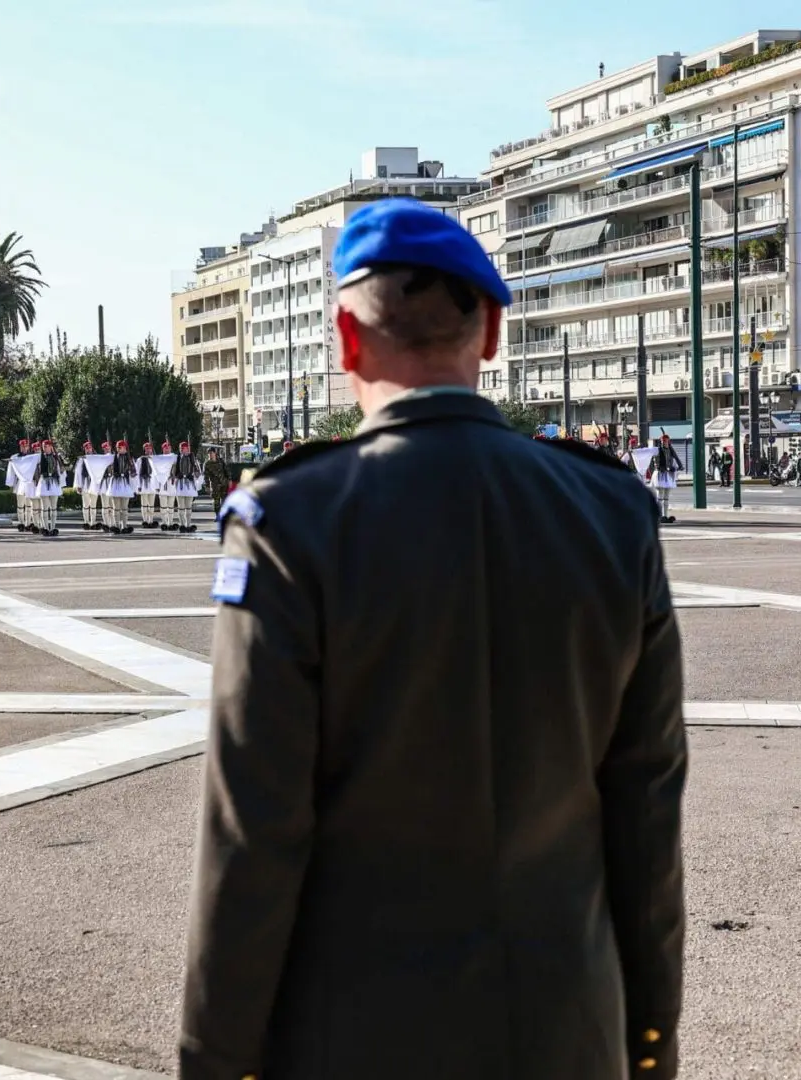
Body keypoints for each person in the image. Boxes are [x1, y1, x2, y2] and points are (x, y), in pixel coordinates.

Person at [183, 199, 686, 1080]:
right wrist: (648, 1039)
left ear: (345, 338)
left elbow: (252, 839)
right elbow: (646, 817)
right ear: (489, 331)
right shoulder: (610, 513)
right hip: (566, 1031)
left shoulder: (292, 523)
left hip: (355, 1041)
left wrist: (214, 1062)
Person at [646, 434, 683, 525]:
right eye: (662, 441)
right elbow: (656, 461)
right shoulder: (657, 450)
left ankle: (665, 515)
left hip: (668, 474)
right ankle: (659, 516)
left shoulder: (670, 449)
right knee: (660, 495)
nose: (663, 443)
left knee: (666, 497)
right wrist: (663, 468)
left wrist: (680, 466)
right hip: (660, 473)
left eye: (665, 441)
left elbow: (676, 458)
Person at [33, 438, 64, 537]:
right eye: (43, 447)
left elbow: (61, 471)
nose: (44, 448)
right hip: (44, 482)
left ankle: (53, 527)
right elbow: (30, 462)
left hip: (54, 482)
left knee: (54, 508)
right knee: (44, 508)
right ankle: (46, 528)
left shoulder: (56, 457)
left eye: (46, 446)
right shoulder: (39, 457)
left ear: (51, 447)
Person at [169, 439, 201, 533]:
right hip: (180, 484)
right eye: (182, 449)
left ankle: (188, 524)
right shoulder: (177, 458)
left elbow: (197, 471)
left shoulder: (192, 459)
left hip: (189, 485)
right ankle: (182, 525)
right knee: (181, 507)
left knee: (188, 507)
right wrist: (175, 476)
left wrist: (195, 473)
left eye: (185, 449)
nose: (184, 450)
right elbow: (173, 471)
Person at [106, 438, 136, 534]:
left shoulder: (129, 459)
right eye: (119, 448)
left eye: (122, 447)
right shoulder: (112, 458)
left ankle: (124, 525)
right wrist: (112, 473)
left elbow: (134, 473)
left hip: (125, 484)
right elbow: (108, 470)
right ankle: (117, 525)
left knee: (124, 507)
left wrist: (130, 471)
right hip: (115, 483)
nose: (120, 449)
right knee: (116, 507)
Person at [136, 440, 161, 528]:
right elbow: (137, 473)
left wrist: (158, 485)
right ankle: (145, 520)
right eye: (146, 449)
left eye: (149, 449)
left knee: (151, 504)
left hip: (153, 483)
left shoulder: (155, 459)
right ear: (144, 450)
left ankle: (151, 520)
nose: (148, 451)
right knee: (144, 504)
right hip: (143, 482)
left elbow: (158, 473)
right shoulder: (140, 459)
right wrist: (138, 485)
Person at [203, 447, 230, 516]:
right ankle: (218, 515)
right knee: (216, 501)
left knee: (224, 500)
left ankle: (224, 515)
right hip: (215, 485)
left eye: (211, 453)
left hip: (224, 483)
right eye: (209, 453)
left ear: (215, 453)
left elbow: (226, 471)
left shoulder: (221, 461)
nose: (210, 455)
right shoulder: (207, 464)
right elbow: (206, 476)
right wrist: (207, 486)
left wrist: (229, 480)